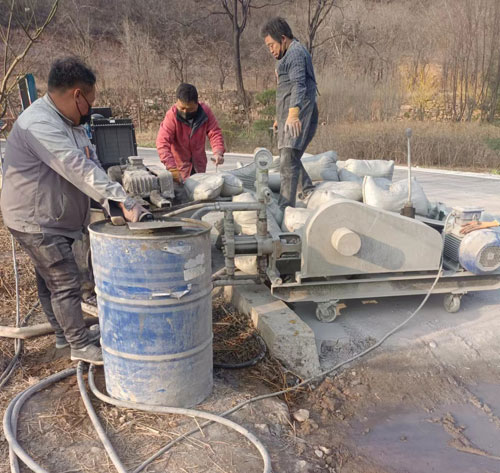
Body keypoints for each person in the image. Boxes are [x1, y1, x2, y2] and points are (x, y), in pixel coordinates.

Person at [0, 57, 145, 365]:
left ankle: (66, 337)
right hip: (35, 218)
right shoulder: (38, 124)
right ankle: (78, 344)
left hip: (53, 214)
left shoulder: (70, 122)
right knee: (63, 280)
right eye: (89, 103)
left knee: (48, 280)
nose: (90, 110)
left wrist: (110, 202)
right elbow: (76, 167)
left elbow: (91, 163)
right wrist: (125, 202)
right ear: (77, 95)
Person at [262, 17, 318, 210]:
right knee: (289, 157)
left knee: (287, 159)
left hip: (300, 111)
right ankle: (308, 189)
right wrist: (281, 117)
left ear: (283, 38)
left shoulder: (294, 53)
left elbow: (298, 85)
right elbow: (285, 89)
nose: (270, 50)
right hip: (290, 112)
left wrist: (293, 113)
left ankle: (286, 208)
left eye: (272, 45)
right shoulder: (288, 55)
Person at [156, 83, 225, 183]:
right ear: (177, 102)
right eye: (182, 108)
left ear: (197, 103)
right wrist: (171, 168)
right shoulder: (171, 116)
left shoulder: (205, 112)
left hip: (199, 167)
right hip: (179, 169)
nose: (185, 112)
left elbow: (214, 132)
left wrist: (218, 152)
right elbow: (162, 142)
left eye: (190, 109)